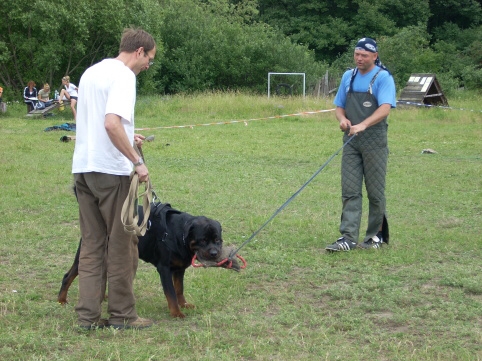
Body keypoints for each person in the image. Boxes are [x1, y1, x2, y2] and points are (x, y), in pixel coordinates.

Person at [72, 27, 156, 330]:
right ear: (139, 51)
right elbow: (110, 123)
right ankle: (122, 316)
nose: (149, 65)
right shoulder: (124, 76)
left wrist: (127, 136)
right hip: (111, 173)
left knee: (92, 245)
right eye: (149, 58)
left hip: (83, 169)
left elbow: (95, 121)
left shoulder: (91, 72)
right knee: (122, 245)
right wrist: (137, 161)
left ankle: (87, 318)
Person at [325, 37, 396, 252]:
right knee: (350, 190)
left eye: (364, 55)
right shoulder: (349, 76)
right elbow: (339, 106)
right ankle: (347, 237)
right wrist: (342, 120)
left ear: (374, 56)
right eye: (357, 54)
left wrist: (363, 124)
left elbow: (385, 108)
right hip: (351, 142)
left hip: (374, 142)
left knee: (375, 192)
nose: (359, 58)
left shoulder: (383, 78)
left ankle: (376, 236)